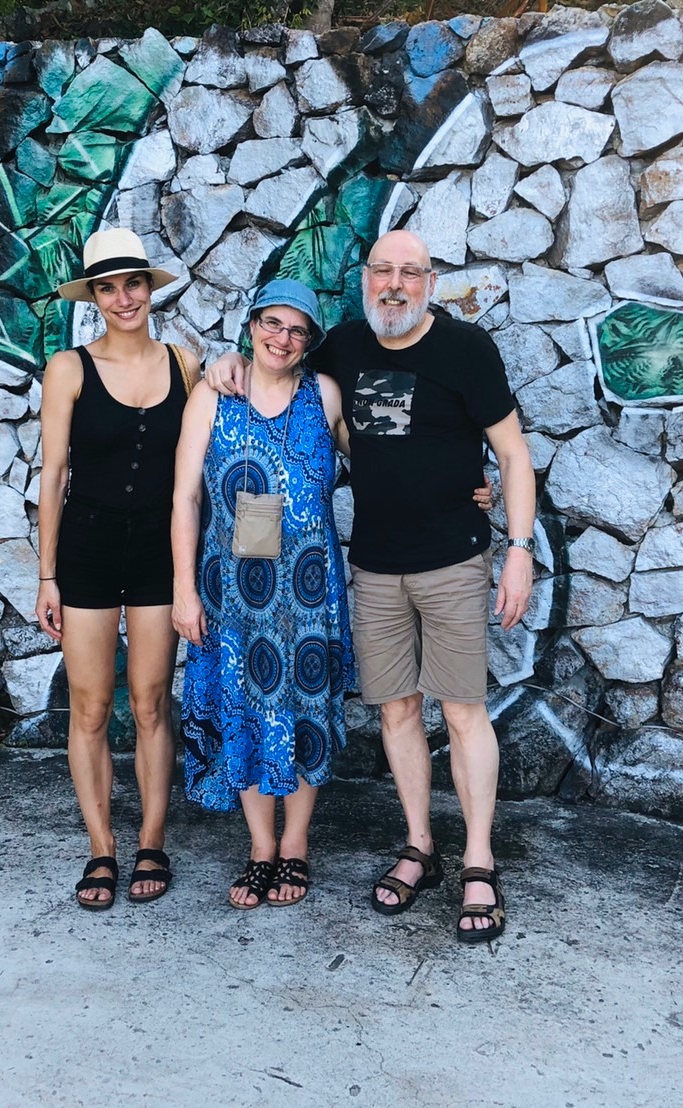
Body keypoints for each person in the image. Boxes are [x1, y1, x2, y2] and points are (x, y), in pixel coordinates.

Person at [207, 230, 536, 944]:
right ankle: (420, 845)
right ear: (364, 279)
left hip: (453, 559)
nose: (394, 284)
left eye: (409, 272)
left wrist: (519, 549)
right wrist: (221, 360)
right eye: (382, 270)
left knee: (463, 712)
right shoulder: (343, 349)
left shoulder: (466, 349)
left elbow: (512, 453)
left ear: (430, 282)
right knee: (396, 712)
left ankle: (479, 861)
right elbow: (277, 362)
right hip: (375, 566)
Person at [170, 280, 356, 909]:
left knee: (305, 713)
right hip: (231, 596)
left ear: (310, 342)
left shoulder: (324, 394)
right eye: (272, 323)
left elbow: (382, 465)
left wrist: (462, 485)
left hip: (308, 598)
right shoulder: (214, 394)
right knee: (242, 713)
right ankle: (260, 848)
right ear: (251, 325)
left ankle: (295, 845)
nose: (283, 338)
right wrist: (183, 590)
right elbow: (185, 497)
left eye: (298, 330)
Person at [36, 228, 198, 910]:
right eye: (108, 287)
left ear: (149, 289)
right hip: (88, 551)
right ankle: (102, 847)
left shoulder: (185, 364)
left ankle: (152, 840)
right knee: (92, 706)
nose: (123, 298)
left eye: (133, 283)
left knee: (151, 702)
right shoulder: (68, 368)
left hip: (161, 551)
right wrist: (47, 576)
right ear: (94, 297)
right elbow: (53, 476)